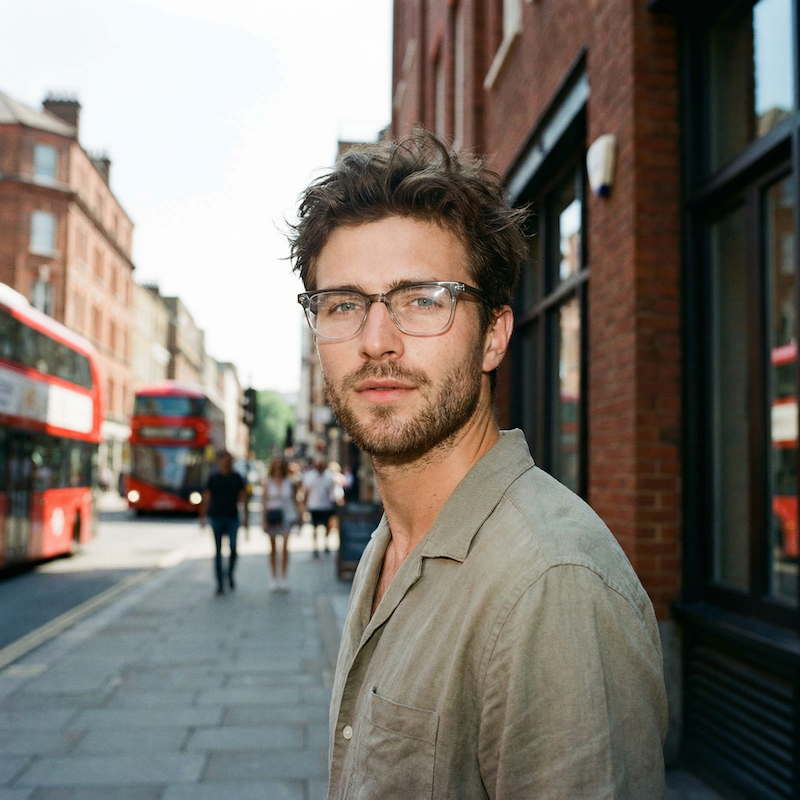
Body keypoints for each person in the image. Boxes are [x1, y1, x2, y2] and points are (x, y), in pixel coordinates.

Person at [290, 130, 668, 798]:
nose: (376, 341)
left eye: (423, 300)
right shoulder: (390, 545)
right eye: (343, 304)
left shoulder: (550, 586)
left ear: (493, 334)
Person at [199, 451, 247, 596]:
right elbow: (206, 497)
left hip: (232, 517)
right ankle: (220, 583)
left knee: (233, 548)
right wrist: (202, 516)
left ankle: (230, 574)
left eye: (228, 461)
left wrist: (246, 518)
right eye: (223, 461)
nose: (225, 464)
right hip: (217, 517)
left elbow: (243, 498)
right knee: (218, 551)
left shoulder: (237, 477)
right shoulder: (214, 478)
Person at [262, 457, 298, 591]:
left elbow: (294, 499)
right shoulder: (268, 482)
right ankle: (273, 577)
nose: (277, 469)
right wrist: (263, 519)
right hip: (272, 516)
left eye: (279, 466)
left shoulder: (289, 482)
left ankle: (283, 577)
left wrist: (299, 515)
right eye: (275, 466)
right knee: (272, 548)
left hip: (287, 516)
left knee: (284, 547)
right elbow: (264, 501)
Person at [301, 458, 340, 556]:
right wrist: (304, 506)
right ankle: (316, 546)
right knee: (314, 527)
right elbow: (306, 492)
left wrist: (335, 501)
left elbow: (333, 490)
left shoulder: (329, 476)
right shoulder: (310, 476)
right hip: (314, 505)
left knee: (328, 526)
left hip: (327, 505)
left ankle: (326, 543)